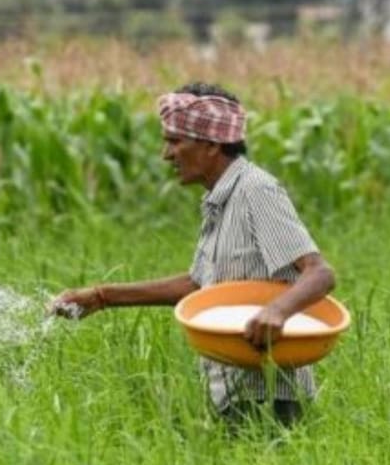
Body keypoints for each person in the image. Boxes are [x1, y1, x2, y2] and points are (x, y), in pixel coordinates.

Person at [49, 82, 336, 429]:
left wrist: (277, 311)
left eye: (174, 141)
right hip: (232, 390)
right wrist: (101, 297)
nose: (166, 154)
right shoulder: (220, 199)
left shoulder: (256, 191)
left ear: (212, 144)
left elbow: (319, 273)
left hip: (272, 395)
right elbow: (200, 286)